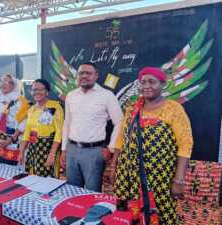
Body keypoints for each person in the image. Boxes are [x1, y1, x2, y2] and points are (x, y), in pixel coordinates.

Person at [110, 67, 193, 224]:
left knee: (160, 213)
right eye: (143, 82)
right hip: (128, 174)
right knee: (128, 213)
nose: (146, 86)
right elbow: (122, 138)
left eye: (152, 82)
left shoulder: (174, 109)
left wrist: (179, 179)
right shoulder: (131, 109)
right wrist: (114, 165)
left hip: (158, 177)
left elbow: (185, 143)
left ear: (163, 84)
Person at [60, 62, 122, 192]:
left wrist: (111, 148)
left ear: (96, 76)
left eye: (88, 73)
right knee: (72, 190)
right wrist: (64, 149)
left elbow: (120, 122)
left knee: (92, 192)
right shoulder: (71, 95)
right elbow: (67, 122)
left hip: (94, 152)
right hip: (72, 149)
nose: (84, 76)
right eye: (81, 73)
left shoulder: (107, 96)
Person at [18, 79, 64, 177]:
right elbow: (27, 132)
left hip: (47, 149)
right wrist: (21, 152)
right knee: (33, 178)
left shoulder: (54, 106)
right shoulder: (31, 109)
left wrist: (52, 155)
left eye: (40, 89)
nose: (37, 92)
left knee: (48, 180)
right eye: (34, 90)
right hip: (33, 149)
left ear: (47, 92)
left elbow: (59, 132)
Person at [0, 74, 29, 166]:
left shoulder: (21, 101)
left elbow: (23, 124)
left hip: (13, 141)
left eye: (7, 81)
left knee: (12, 170)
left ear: (14, 85)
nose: (3, 84)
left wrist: (10, 140)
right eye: (1, 81)